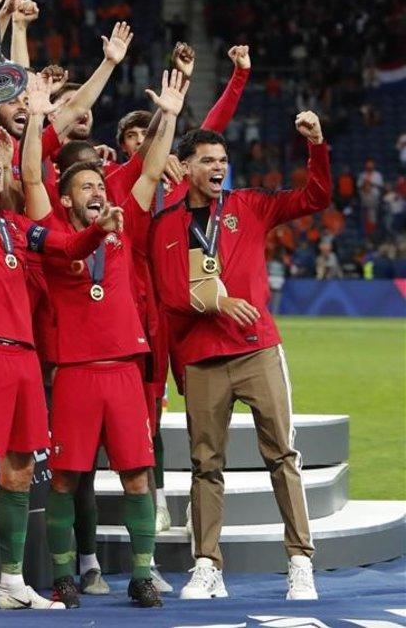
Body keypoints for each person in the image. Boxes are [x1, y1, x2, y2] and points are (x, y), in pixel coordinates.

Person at [0, 39, 132, 621]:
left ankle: (10, 581)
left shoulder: (15, 225)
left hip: (23, 358)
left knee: (17, 470)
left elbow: (63, 243)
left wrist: (99, 231)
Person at [22, 69, 187, 609]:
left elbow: (153, 166)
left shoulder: (121, 222)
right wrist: (42, 119)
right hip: (73, 371)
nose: (98, 192)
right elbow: (28, 178)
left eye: (100, 184)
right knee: (67, 481)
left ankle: (143, 573)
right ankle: (66, 576)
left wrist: (169, 115)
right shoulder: (55, 234)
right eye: (86, 187)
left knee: (139, 476)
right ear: (65, 200)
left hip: (121, 369)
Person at [148, 114, 331, 601]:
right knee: (205, 464)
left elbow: (315, 199)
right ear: (184, 168)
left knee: (282, 456)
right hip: (203, 356)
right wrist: (218, 301)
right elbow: (167, 294)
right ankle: (207, 565)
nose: (217, 167)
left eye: (223, 160)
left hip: (257, 349)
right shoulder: (165, 223)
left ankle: (300, 561)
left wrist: (316, 146)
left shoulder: (248, 206)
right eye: (207, 160)